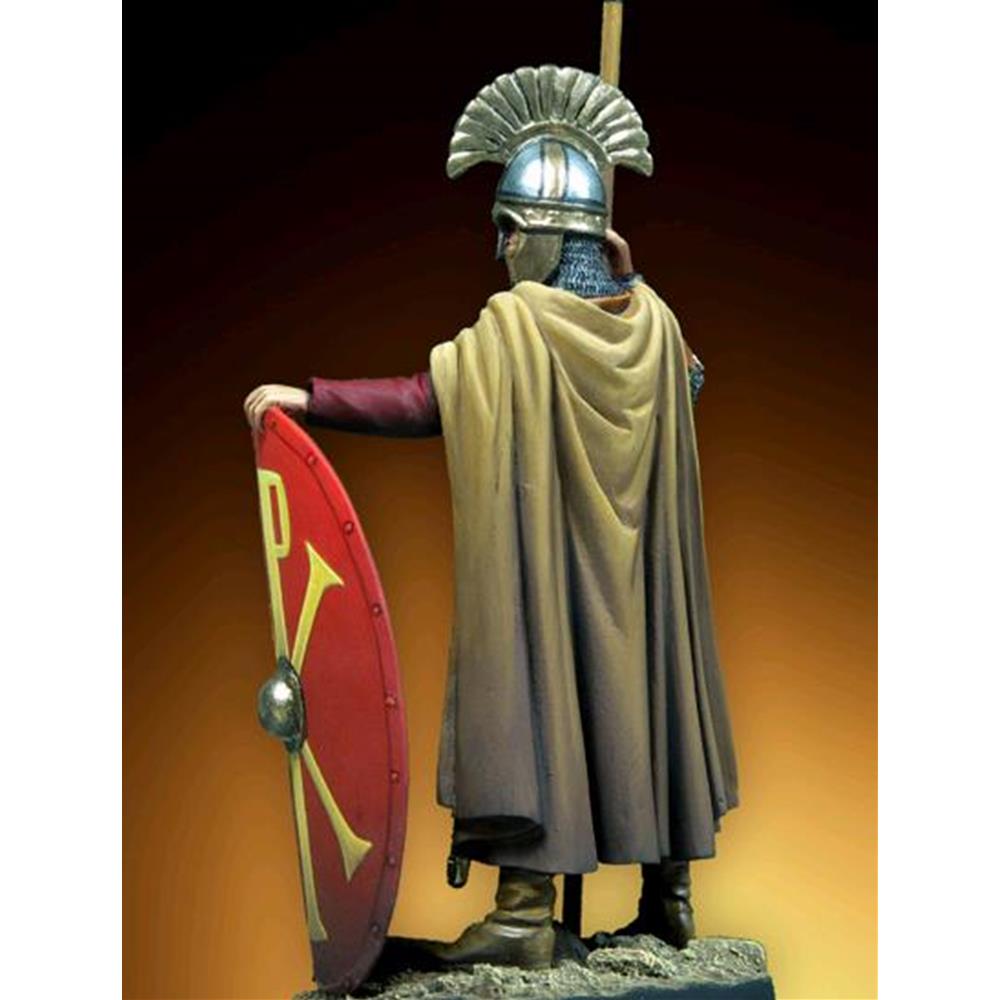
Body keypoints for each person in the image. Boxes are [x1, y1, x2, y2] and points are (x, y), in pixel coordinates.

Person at [244, 66, 738, 971]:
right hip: (641, 590)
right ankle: (669, 896)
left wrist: (311, 398)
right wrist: (627, 274)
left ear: (540, 235)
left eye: (509, 229)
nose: (501, 248)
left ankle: (523, 913)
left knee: (536, 695)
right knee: (649, 702)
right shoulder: (657, 325)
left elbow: (423, 398)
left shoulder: (518, 329)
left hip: (556, 581)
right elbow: (690, 383)